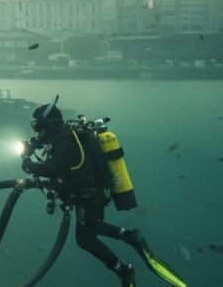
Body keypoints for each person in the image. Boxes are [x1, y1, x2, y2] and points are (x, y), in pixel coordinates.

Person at [21, 100, 185, 287]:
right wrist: (34, 145)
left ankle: (128, 253)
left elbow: (54, 169)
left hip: (88, 196)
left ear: (49, 125)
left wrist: (29, 165)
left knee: (85, 237)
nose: (37, 131)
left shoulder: (64, 143)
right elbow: (61, 166)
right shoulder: (64, 136)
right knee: (89, 232)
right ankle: (126, 254)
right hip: (89, 194)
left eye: (39, 126)